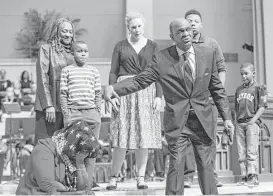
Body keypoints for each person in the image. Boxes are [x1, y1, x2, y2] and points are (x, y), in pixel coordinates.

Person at [104, 18, 234, 195]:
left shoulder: (208, 53)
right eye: (180, 31)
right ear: (172, 36)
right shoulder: (162, 58)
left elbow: (217, 88)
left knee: (206, 166)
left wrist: (227, 118)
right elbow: (141, 80)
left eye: (188, 29)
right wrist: (115, 88)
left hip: (203, 119)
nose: (186, 34)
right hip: (178, 120)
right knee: (176, 165)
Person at [106, 12, 162, 190]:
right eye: (133, 27)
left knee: (143, 137)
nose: (136, 30)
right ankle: (114, 177)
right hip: (124, 91)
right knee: (121, 136)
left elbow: (158, 72)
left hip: (146, 90)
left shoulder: (153, 46)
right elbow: (113, 71)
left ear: (143, 26)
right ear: (128, 28)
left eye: (139, 26)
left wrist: (159, 96)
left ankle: (141, 177)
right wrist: (112, 92)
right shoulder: (120, 46)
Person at [184, 9, 227, 188]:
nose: (193, 24)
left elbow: (221, 69)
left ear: (201, 24)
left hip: (208, 100)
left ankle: (211, 176)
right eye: (189, 21)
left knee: (208, 139)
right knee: (185, 138)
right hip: (186, 100)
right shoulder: (181, 44)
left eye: (196, 21)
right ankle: (187, 176)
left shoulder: (211, 43)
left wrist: (217, 94)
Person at [16, 120, 101, 195]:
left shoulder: (81, 154)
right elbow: (47, 185)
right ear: (71, 144)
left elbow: (85, 188)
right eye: (80, 151)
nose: (83, 154)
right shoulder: (43, 149)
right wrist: (72, 192)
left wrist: (80, 164)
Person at [60, 40, 102, 189]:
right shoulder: (67, 70)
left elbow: (98, 93)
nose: (83, 53)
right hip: (74, 115)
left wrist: (98, 112)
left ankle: (88, 186)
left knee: (91, 153)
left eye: (85, 51)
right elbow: (63, 94)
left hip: (92, 114)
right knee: (75, 153)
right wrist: (66, 114)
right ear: (73, 53)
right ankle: (76, 186)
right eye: (79, 51)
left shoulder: (94, 71)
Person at [34, 18, 75, 144]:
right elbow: (42, 78)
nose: (68, 34)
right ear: (56, 32)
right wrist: (48, 104)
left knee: (67, 147)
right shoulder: (46, 49)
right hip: (50, 106)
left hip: (69, 107)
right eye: (64, 31)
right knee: (47, 145)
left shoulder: (75, 52)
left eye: (70, 31)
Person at [235, 63, 267, 187]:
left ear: (253, 73)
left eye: (246, 73)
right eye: (241, 74)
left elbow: (262, 107)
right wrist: (236, 121)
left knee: (251, 151)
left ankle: (252, 176)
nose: (243, 76)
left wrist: (254, 120)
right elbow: (236, 108)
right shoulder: (239, 89)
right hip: (240, 123)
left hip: (251, 123)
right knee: (241, 152)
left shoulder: (259, 88)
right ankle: (244, 176)